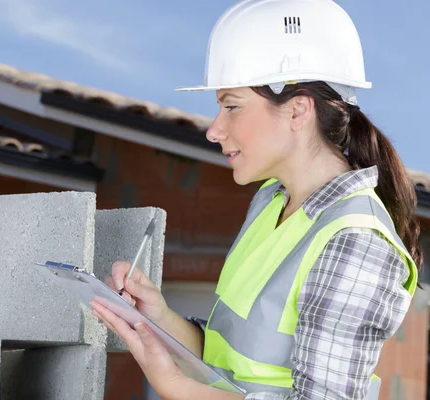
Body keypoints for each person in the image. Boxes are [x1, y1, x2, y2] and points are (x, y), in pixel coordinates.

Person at [89, 0, 421, 398]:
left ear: (298, 111)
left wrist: (176, 387)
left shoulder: (355, 239)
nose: (214, 130)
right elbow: (226, 363)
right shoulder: (270, 203)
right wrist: (159, 317)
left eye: (231, 106)